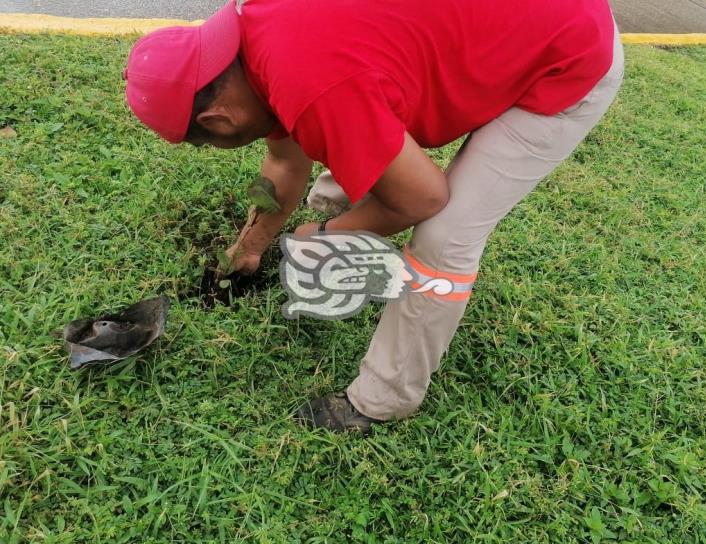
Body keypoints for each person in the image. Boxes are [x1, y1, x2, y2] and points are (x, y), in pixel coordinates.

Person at [124, 0, 624, 434]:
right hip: (500, 28)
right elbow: (282, 161)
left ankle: (382, 399)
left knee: (444, 237)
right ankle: (345, 212)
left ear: (217, 120)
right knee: (349, 143)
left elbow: (422, 200)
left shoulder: (314, 83)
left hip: (567, 56)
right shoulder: (257, 34)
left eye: (209, 143)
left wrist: (322, 236)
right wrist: (252, 243)